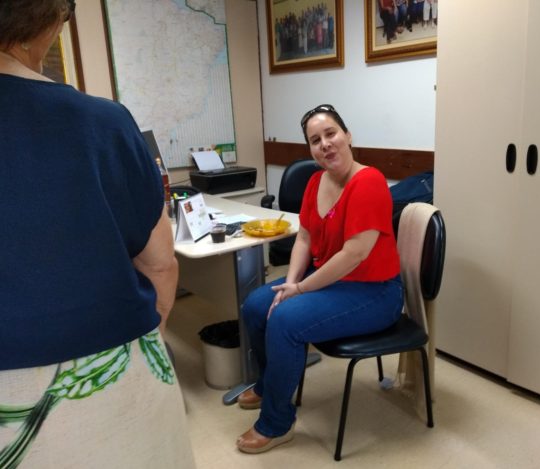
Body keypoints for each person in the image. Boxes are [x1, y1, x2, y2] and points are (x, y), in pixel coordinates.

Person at [0, 1, 195, 467]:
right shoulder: (102, 123)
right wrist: (148, 337)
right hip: (106, 380)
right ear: (46, 21)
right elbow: (160, 264)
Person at [236, 104, 404, 453]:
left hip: (373, 291)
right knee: (256, 305)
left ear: (348, 135)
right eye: (315, 140)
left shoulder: (369, 181)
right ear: (311, 149)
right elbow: (304, 237)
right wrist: (288, 285)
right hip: (331, 281)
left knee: (285, 320)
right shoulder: (315, 182)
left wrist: (299, 289)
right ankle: (269, 385)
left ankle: (277, 423)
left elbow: (354, 254)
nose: (325, 144)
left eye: (331, 134)